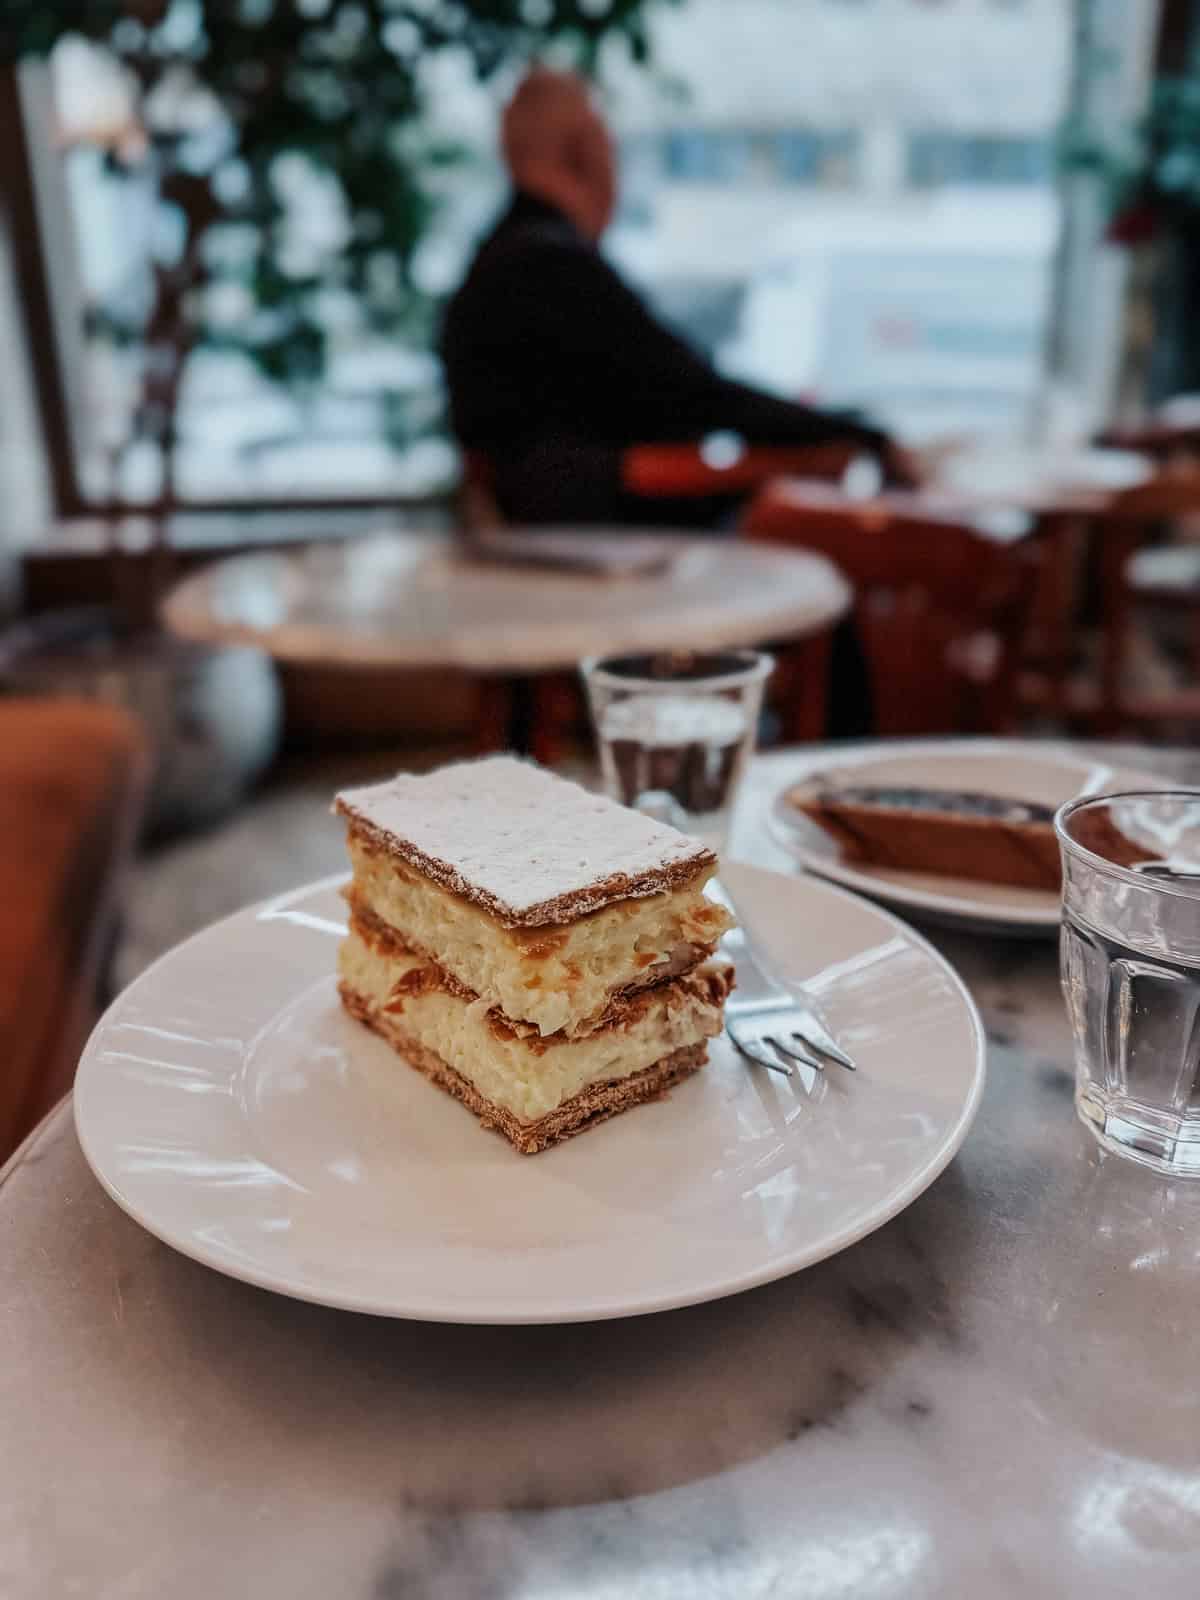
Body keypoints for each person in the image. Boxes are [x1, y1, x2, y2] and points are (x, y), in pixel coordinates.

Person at [440, 67, 916, 527]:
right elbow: (696, 395)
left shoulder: (497, 264)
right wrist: (854, 436)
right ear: (585, 154)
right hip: (600, 556)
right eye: (611, 150)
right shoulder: (550, 269)